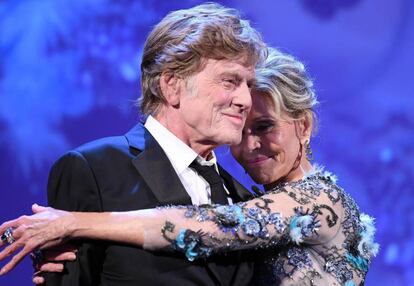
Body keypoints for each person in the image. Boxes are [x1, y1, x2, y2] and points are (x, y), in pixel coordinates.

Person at [0, 48, 379, 285]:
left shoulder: (320, 201)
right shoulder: (249, 198)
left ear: (304, 126)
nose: (251, 147)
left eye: (264, 128)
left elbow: (214, 226)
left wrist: (74, 221)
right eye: (242, 132)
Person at [0, 3, 266, 286]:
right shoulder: (94, 170)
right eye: (230, 81)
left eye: (248, 85)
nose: (245, 101)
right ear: (172, 86)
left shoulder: (244, 201)